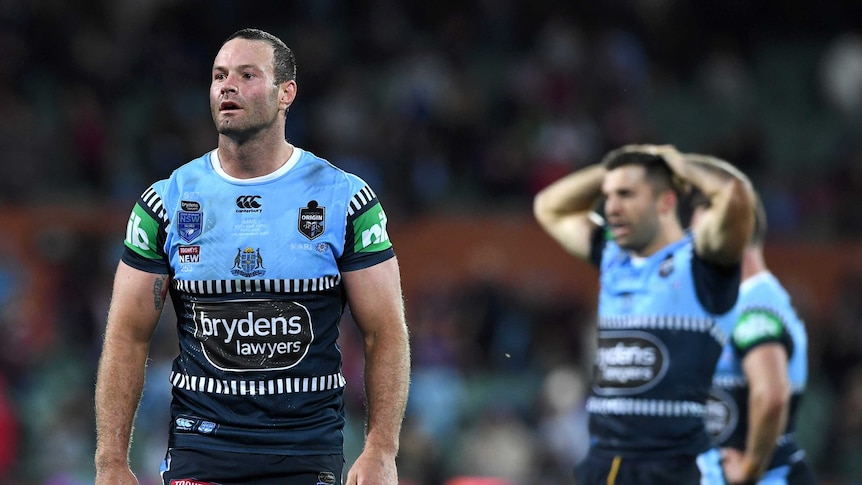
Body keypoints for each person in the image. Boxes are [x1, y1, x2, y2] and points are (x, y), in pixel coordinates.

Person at [94, 28, 411, 485]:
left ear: (287, 93)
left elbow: (385, 332)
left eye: (247, 75)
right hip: (200, 448)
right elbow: (127, 335)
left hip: (306, 452)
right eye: (219, 75)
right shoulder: (165, 203)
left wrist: (381, 450)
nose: (228, 86)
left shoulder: (346, 200)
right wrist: (110, 462)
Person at [533, 144, 755, 484]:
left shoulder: (703, 264)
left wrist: (676, 163)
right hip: (605, 464)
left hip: (675, 468)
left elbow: (734, 196)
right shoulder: (612, 257)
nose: (611, 208)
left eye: (626, 194)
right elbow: (548, 207)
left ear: (666, 201)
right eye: (608, 196)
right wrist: (617, 166)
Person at [697, 176, 816, 484]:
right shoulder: (747, 300)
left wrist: (750, 467)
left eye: (703, 231)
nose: (694, 244)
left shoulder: (753, 306)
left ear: (740, 230)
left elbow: (772, 394)